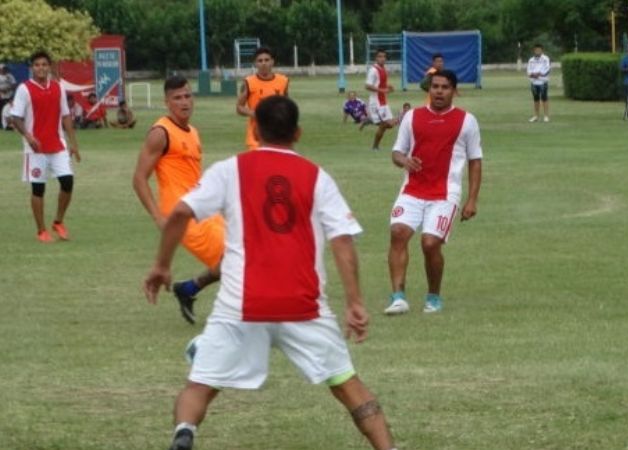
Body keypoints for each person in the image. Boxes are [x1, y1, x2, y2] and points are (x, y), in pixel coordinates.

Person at [143, 96, 397, 450]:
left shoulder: (229, 170)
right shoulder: (317, 177)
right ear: (298, 132)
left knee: (200, 385)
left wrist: (161, 265)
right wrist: (355, 301)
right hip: (303, 306)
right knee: (347, 384)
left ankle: (184, 433)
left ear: (255, 129)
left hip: (241, 305)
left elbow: (181, 213)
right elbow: (342, 241)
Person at [384, 70, 483, 315]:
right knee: (398, 233)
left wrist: (472, 199)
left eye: (445, 87)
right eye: (435, 86)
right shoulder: (412, 117)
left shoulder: (467, 121)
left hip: (445, 194)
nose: (439, 91)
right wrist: (404, 161)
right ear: (429, 89)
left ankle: (434, 297)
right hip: (412, 190)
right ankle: (398, 297)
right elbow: (396, 152)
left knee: (430, 243)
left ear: (454, 91)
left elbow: (475, 160)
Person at [133, 76, 224, 324]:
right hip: (181, 216)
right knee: (237, 260)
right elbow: (139, 179)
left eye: (187, 96)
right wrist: (158, 218)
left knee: (241, 253)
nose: (184, 102)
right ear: (167, 102)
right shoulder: (160, 133)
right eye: (177, 98)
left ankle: (188, 288)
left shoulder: (193, 132)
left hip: (204, 209)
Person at [9, 51, 80, 243]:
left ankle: (58, 222)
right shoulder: (24, 89)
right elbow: (15, 117)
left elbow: (66, 115)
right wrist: (28, 136)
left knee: (68, 182)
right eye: (37, 65)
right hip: (35, 148)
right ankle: (41, 230)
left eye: (44, 64)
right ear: (32, 68)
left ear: (49, 67)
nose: (41, 68)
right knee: (38, 189)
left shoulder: (58, 87)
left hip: (58, 145)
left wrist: (73, 143)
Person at [236, 46, 289, 150]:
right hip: (255, 139)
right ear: (255, 64)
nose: (263, 63)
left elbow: (286, 104)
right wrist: (256, 114)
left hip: (278, 136)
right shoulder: (249, 82)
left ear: (272, 62)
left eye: (266, 60)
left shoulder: (283, 81)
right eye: (260, 61)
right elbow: (239, 108)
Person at [365, 48, 394, 151]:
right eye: (380, 56)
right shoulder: (373, 70)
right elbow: (367, 86)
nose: (382, 58)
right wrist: (382, 90)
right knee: (384, 124)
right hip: (376, 102)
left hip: (383, 101)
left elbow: (380, 83)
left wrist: (388, 86)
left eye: (384, 57)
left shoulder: (383, 69)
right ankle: (375, 147)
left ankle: (370, 120)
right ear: (376, 58)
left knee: (390, 124)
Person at [526, 44, 551, 123]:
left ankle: (546, 116)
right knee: (536, 99)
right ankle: (536, 116)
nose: (537, 51)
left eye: (539, 50)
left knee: (544, 98)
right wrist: (532, 74)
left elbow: (547, 69)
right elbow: (528, 70)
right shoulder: (531, 60)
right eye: (536, 50)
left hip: (543, 81)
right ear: (534, 51)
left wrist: (539, 74)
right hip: (534, 82)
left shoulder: (545, 59)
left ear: (542, 50)